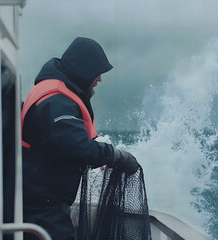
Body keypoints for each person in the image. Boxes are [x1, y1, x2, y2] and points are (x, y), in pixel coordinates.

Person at [21, 37, 140, 240]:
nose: (100, 79)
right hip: (42, 206)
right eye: (97, 72)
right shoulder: (57, 100)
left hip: (39, 200)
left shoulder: (55, 91)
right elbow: (75, 146)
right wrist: (117, 156)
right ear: (83, 70)